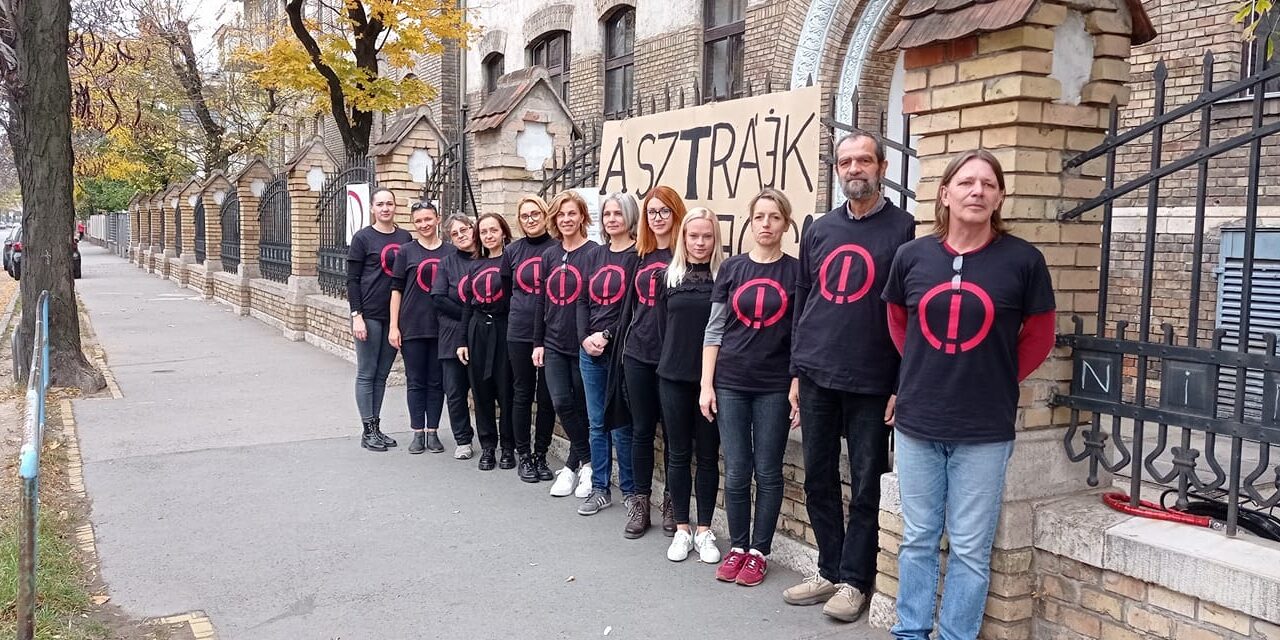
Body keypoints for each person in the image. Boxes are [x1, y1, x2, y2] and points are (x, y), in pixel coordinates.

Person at [883, 150, 1054, 640]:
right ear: (945, 194)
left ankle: (956, 635)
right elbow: (898, 320)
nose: (976, 191)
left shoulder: (1023, 260)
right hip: (918, 421)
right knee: (917, 539)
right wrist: (922, 365)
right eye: (965, 182)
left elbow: (1040, 336)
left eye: (987, 184)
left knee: (971, 547)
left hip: (984, 429)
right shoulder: (912, 256)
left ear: (1000, 196)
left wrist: (997, 375)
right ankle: (910, 631)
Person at [781, 132, 915, 621]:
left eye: (864, 160)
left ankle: (856, 581)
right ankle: (829, 567)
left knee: (865, 483)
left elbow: (909, 312)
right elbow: (802, 300)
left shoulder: (904, 229)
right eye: (845, 161)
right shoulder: (818, 228)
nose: (854, 168)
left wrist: (901, 381)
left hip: (872, 378)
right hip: (816, 371)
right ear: (836, 170)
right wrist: (795, 371)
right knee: (818, 477)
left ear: (881, 166)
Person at [699, 188, 801, 586]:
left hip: (774, 386)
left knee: (768, 471)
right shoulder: (732, 270)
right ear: (750, 221)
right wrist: (707, 384)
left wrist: (797, 382)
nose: (766, 225)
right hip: (731, 383)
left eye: (774, 217)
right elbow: (714, 330)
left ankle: (759, 551)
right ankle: (738, 547)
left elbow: (800, 336)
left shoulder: (795, 272)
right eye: (759, 217)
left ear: (786, 224)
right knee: (738, 470)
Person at [657, 207, 723, 564]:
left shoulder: (725, 276)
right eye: (693, 236)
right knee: (678, 454)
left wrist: (709, 380)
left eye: (706, 236)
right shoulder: (668, 276)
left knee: (709, 456)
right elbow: (661, 329)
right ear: (683, 238)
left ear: (715, 239)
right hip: (673, 378)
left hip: (711, 383)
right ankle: (682, 529)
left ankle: (704, 530)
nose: (699, 242)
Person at [622, 186, 686, 539]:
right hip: (638, 353)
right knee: (641, 430)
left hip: (673, 357)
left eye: (664, 211)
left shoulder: (688, 253)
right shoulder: (639, 255)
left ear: (676, 213)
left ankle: (673, 500)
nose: (658, 218)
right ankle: (640, 501)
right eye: (652, 212)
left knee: (676, 435)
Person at [575, 193, 639, 516]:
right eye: (608, 214)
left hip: (621, 353)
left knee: (621, 423)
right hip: (590, 351)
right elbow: (582, 301)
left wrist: (608, 335)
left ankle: (629, 491)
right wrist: (585, 338)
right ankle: (601, 488)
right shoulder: (595, 255)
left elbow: (632, 307)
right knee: (596, 422)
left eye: (618, 213)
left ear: (629, 217)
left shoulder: (638, 256)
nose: (612, 219)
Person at [532, 191, 597, 499]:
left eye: (572, 213)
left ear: (582, 216)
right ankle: (587, 462)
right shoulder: (548, 255)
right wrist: (538, 342)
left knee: (583, 407)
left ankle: (574, 466)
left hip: (583, 343)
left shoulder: (595, 253)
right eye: (560, 215)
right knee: (561, 402)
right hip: (554, 342)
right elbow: (541, 301)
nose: (567, 219)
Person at [347, 187, 413, 452]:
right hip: (369, 314)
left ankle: (376, 426)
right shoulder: (363, 238)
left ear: (395, 207)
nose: (385, 208)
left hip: (394, 316)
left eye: (390, 204)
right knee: (366, 372)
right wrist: (357, 316)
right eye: (380, 204)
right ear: (372, 208)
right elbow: (352, 280)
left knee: (382, 374)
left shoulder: (405, 237)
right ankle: (368, 429)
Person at [505, 196, 558, 483]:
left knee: (547, 396)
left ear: (545, 214)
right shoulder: (512, 251)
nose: (530, 219)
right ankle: (523, 455)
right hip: (519, 331)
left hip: (551, 332)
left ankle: (541, 454)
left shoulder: (556, 248)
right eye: (524, 215)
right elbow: (504, 291)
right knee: (522, 394)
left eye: (535, 213)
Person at [458, 213, 516, 471]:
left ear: (503, 232)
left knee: (506, 391)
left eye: (494, 230)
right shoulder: (475, 265)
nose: (489, 235)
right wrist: (463, 340)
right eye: (484, 232)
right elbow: (467, 306)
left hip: (504, 328)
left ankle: (508, 447)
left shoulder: (511, 260)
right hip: (478, 329)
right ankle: (488, 447)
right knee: (481, 392)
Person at [389, 201, 448, 454]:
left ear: (437, 219)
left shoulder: (451, 252)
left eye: (428, 219)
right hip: (412, 324)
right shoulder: (405, 252)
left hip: (442, 327)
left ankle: (433, 431)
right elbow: (396, 290)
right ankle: (417, 432)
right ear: (414, 224)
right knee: (415, 381)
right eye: (419, 221)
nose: (424, 224)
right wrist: (394, 326)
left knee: (437, 381)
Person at [431, 214, 478, 460]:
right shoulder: (447, 263)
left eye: (464, 229)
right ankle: (463, 439)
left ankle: (491, 438)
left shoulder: (488, 257)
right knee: (455, 390)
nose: (461, 235)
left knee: (484, 390)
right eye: (455, 234)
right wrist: (469, 316)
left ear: (473, 228)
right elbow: (438, 297)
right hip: (452, 333)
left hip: (483, 334)